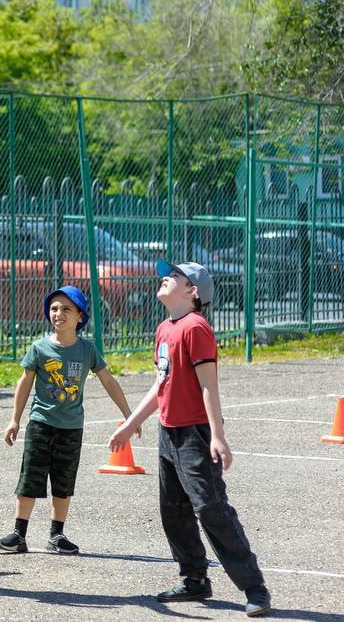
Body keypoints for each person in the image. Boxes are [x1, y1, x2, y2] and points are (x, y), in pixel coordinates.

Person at [109, 261, 271, 617]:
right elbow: (160, 385)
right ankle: (194, 578)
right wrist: (130, 423)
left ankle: (254, 587)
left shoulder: (196, 328)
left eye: (175, 276)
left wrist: (218, 436)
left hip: (195, 433)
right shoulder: (165, 328)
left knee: (211, 508)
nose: (165, 277)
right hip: (168, 431)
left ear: (192, 291)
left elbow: (209, 385)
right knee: (173, 511)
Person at [0, 285, 135, 555]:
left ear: (80, 317)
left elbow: (108, 380)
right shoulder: (39, 348)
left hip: (71, 428)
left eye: (66, 309)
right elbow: (24, 384)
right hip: (40, 423)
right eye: (54, 308)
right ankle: (18, 534)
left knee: (63, 481)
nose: (59, 313)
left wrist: (129, 415)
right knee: (30, 479)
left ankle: (56, 535)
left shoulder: (87, 350)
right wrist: (14, 419)